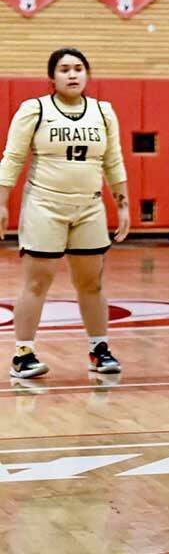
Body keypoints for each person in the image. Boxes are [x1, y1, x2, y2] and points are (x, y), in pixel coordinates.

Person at [0, 48, 129, 379]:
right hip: (45, 205)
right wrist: (1, 201)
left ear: (88, 74)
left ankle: (99, 349)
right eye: (64, 69)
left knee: (91, 283)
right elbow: (12, 158)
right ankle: (23, 354)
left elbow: (113, 161)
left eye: (78, 69)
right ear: (51, 77)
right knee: (37, 281)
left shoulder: (103, 112)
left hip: (89, 206)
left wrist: (123, 204)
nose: (72, 75)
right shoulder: (35, 110)